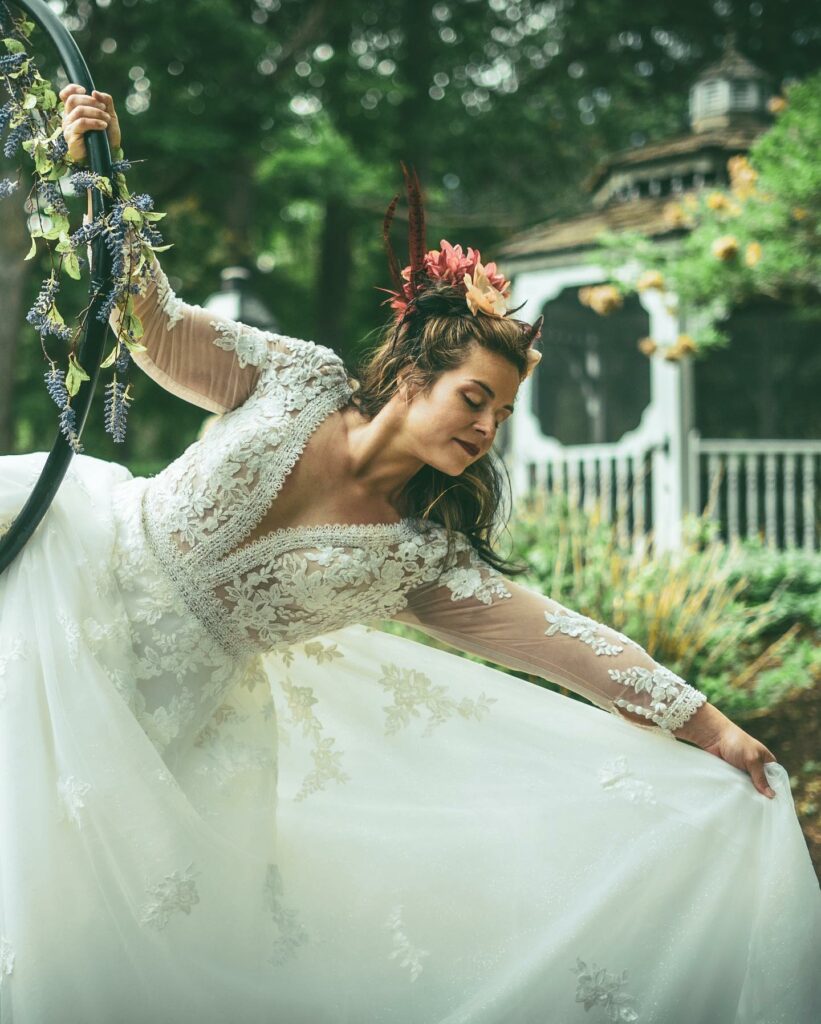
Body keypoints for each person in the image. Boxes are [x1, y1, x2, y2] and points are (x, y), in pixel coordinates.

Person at [0, 84, 815, 1024]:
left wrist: (709, 727)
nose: (487, 426)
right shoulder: (291, 375)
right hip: (65, 584)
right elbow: (150, 319)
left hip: (162, 728)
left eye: (502, 414)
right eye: (474, 398)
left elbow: (564, 642)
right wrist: (89, 171)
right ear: (415, 373)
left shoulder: (417, 559)